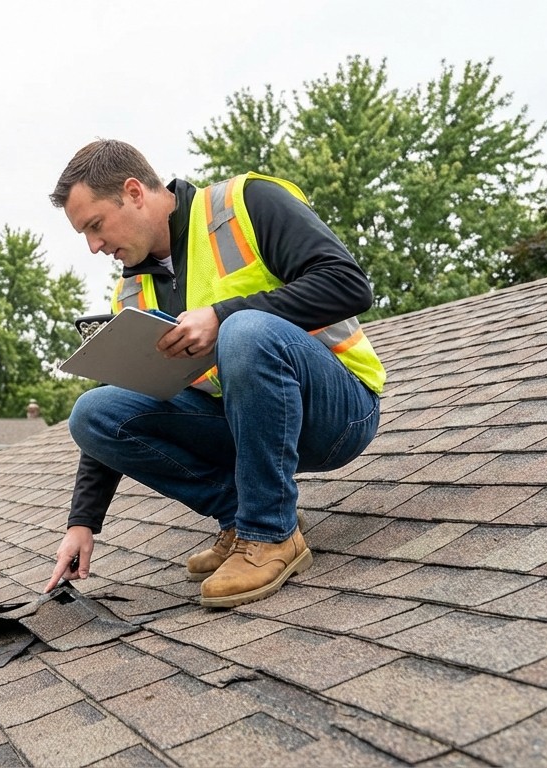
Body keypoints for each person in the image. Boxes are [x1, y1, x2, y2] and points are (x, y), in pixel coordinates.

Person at [43, 139, 384, 608]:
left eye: (96, 225)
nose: (94, 246)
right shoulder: (130, 292)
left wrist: (222, 315)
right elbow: (125, 397)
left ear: (135, 191)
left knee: (244, 330)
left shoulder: (244, 204)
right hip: (247, 429)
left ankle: (272, 534)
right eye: (84, 234)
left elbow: (350, 285)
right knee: (94, 413)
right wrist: (82, 521)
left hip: (335, 414)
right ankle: (245, 519)